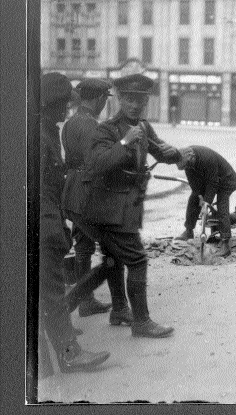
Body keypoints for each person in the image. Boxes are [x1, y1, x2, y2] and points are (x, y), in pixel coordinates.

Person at [63, 73, 180, 338]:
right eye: (129, 99)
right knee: (137, 260)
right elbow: (98, 164)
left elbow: (160, 150)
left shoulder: (144, 127)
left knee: (113, 261)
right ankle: (141, 321)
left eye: (140, 100)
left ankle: (112, 310)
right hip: (109, 209)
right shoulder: (106, 129)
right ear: (120, 99)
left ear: (146, 101)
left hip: (126, 209)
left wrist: (182, 155)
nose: (135, 105)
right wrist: (126, 142)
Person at [38, 72, 110, 372]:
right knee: (52, 293)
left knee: (46, 293)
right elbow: (42, 192)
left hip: (52, 215)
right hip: (44, 225)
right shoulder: (40, 137)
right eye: (62, 105)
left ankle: (51, 354)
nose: (65, 111)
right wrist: (56, 229)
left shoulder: (49, 130)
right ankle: (70, 354)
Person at [61, 78, 130, 322]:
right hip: (87, 193)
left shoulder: (70, 123)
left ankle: (87, 303)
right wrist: (124, 144)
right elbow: (99, 164)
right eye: (104, 99)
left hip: (71, 192)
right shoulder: (91, 126)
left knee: (83, 245)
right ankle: (119, 309)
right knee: (115, 248)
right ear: (100, 98)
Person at [174, 146, 236, 257]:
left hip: (226, 179)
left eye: (187, 165)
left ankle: (225, 243)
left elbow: (213, 183)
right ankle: (189, 231)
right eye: (185, 166)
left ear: (192, 157)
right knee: (193, 198)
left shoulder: (207, 159)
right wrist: (200, 196)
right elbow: (193, 183)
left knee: (222, 205)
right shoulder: (188, 162)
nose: (187, 167)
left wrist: (206, 204)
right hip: (211, 180)